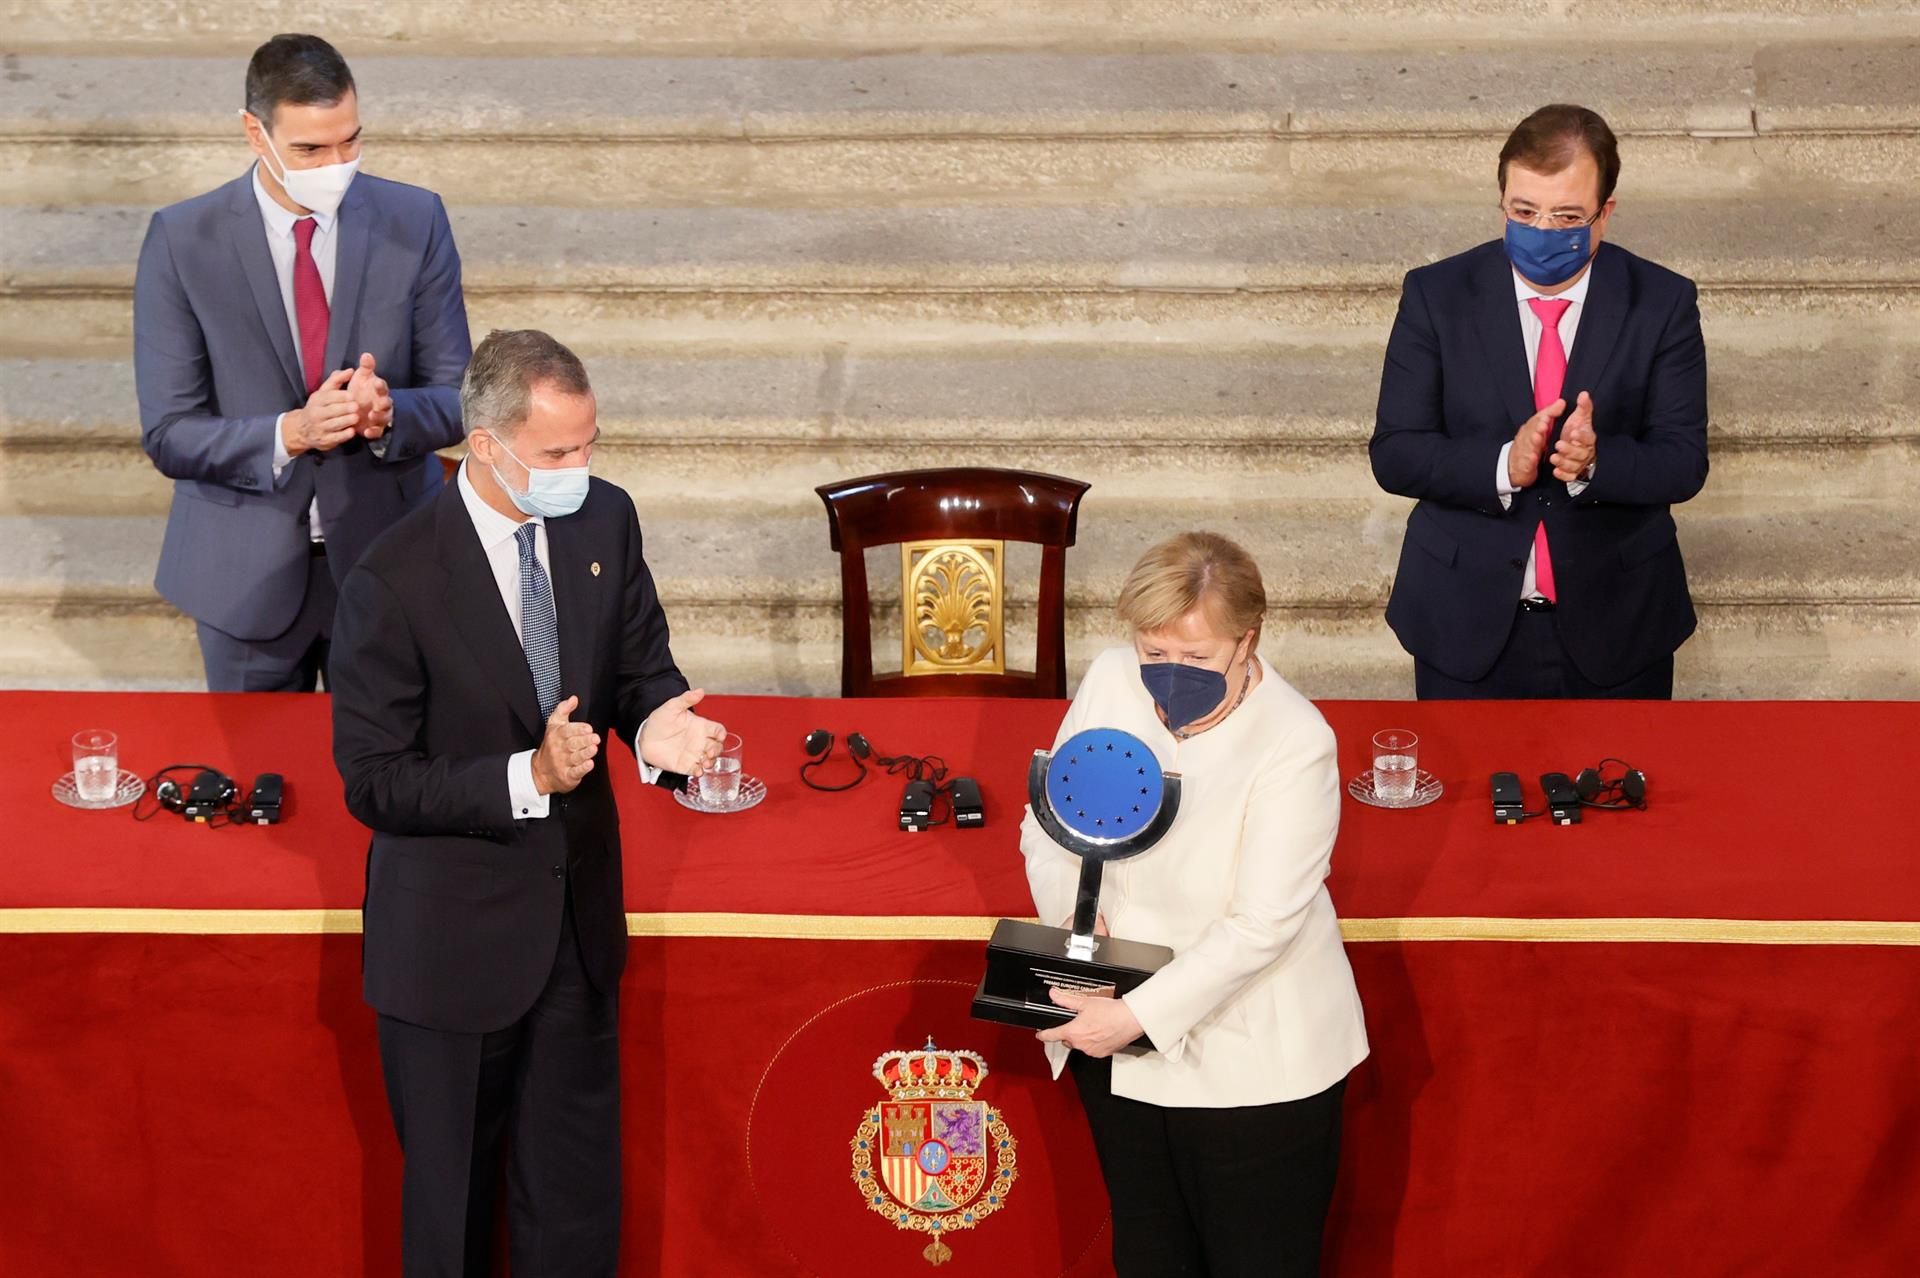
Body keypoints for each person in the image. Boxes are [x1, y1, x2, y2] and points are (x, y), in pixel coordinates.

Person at [330, 329, 725, 1276]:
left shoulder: (605, 521)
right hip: (451, 949)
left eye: (589, 444)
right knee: (454, 1209)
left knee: (575, 1202)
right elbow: (375, 778)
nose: (580, 468)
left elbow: (636, 665)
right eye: (557, 453)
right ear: (487, 444)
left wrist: (658, 731)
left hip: (573, 931)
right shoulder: (393, 577)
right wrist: (527, 777)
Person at [1022, 532, 1368, 1278]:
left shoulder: (1297, 739)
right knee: (1149, 1256)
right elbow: (1050, 823)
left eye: (1198, 658)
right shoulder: (1113, 680)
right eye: (1154, 654)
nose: (1169, 677)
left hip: (1253, 1062)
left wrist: (1138, 1015)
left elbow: (1261, 923)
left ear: (1249, 640)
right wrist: (1074, 921)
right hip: (1113, 1043)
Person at [134, 33, 471, 691]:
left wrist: (387, 413)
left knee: (383, 788)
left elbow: (458, 395)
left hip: (389, 572)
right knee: (256, 784)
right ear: (255, 134)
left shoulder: (416, 220)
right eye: (311, 150)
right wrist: (293, 432)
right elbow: (169, 432)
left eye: (350, 141)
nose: (336, 163)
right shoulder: (183, 241)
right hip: (242, 581)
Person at [1371, 103, 1709, 699]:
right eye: (1524, 212)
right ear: (1502, 199)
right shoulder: (1437, 294)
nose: (1542, 231)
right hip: (1464, 622)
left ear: (1605, 213)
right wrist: (1502, 463)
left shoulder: (1661, 302)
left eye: (1567, 216)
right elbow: (1396, 451)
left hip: (1619, 625)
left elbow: (1683, 461)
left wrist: (1596, 462)